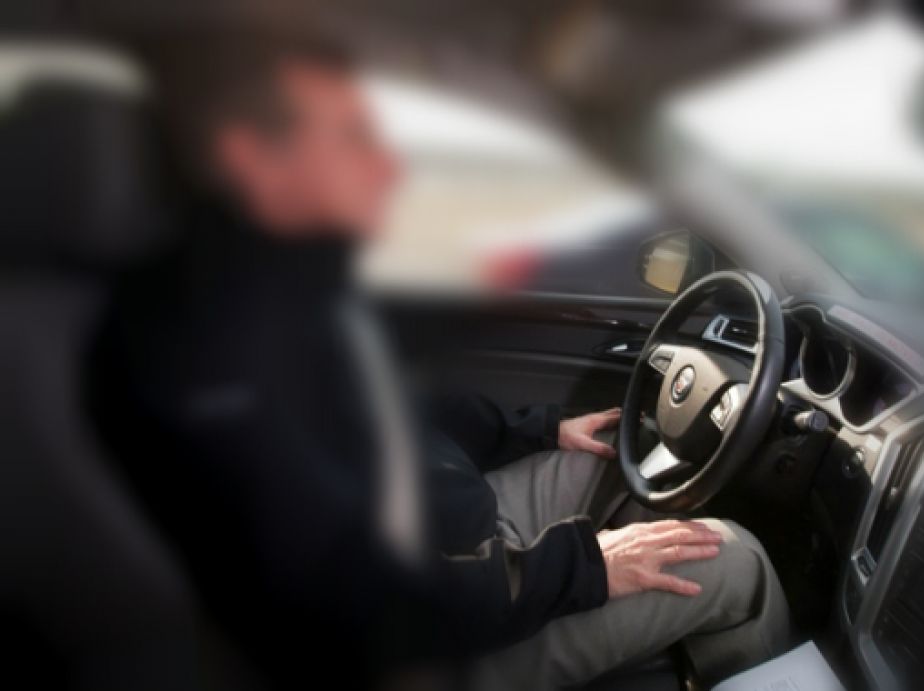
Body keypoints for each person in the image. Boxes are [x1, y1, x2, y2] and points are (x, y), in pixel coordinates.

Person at [89, 37, 791, 690]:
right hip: (437, 640)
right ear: (251, 156)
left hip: (462, 543)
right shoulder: (205, 370)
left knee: (623, 458)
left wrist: (538, 429)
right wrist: (586, 567)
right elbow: (363, 597)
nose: (386, 165)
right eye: (352, 138)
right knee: (736, 561)